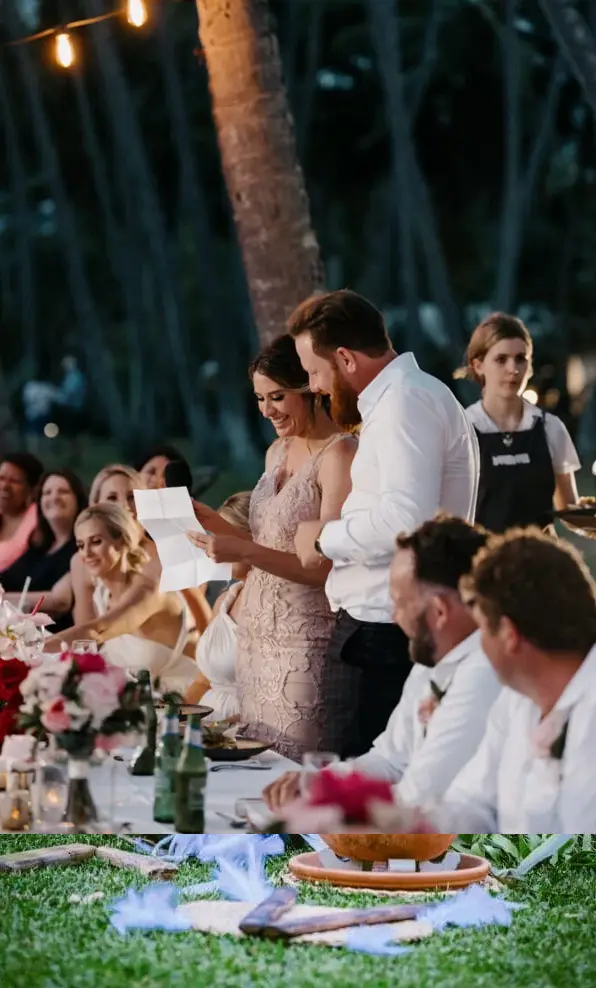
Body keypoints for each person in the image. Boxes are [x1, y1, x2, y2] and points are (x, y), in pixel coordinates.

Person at [289, 290, 479, 757]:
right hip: (380, 626)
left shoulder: (404, 405)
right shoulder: (401, 400)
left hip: (387, 631)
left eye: (315, 372)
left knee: (369, 784)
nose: (313, 387)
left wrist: (324, 537)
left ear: (346, 359)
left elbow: (404, 520)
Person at [191, 334, 357, 762]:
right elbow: (269, 547)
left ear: (309, 389)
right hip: (254, 646)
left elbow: (323, 568)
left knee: (295, 773)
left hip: (307, 647)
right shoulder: (275, 453)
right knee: (255, 772)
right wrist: (213, 524)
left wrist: (244, 553)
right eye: (260, 399)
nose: (267, 410)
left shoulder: (341, 454)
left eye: (277, 396)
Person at [263, 514, 501, 813]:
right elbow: (389, 759)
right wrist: (319, 783)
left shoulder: (486, 674)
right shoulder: (436, 659)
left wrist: (330, 799)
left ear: (439, 612)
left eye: (400, 603)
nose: (394, 616)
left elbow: (421, 797)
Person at [414, 529, 596, 831]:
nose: (478, 645)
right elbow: (473, 800)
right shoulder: (517, 697)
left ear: (510, 635)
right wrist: (416, 825)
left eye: (482, 630)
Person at [45, 504, 198, 694]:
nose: (87, 553)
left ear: (122, 541)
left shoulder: (149, 591)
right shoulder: (101, 595)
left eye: (96, 541)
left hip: (185, 702)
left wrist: (33, 648)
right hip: (134, 701)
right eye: (81, 545)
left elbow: (96, 632)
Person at [462, 312, 580, 532]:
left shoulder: (550, 428)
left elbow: (570, 512)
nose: (513, 369)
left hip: (541, 561)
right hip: (483, 562)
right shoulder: (462, 431)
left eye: (520, 358)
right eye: (501, 359)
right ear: (478, 365)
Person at [185, 491, 252, 719]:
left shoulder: (276, 601)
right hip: (206, 724)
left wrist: (218, 732)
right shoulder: (225, 599)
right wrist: (175, 716)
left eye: (222, 538)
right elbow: (204, 681)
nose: (214, 549)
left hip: (240, 731)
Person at [0, 469, 87, 632]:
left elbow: (60, 600)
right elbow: (7, 578)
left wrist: (4, 599)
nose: (54, 497)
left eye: (63, 491)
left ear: (78, 499)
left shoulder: (84, 547)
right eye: (47, 492)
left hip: (57, 642)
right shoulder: (39, 547)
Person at [0, 453, 44, 572]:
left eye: (14, 481)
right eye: (1, 478)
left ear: (32, 489)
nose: (4, 486)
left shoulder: (39, 520)